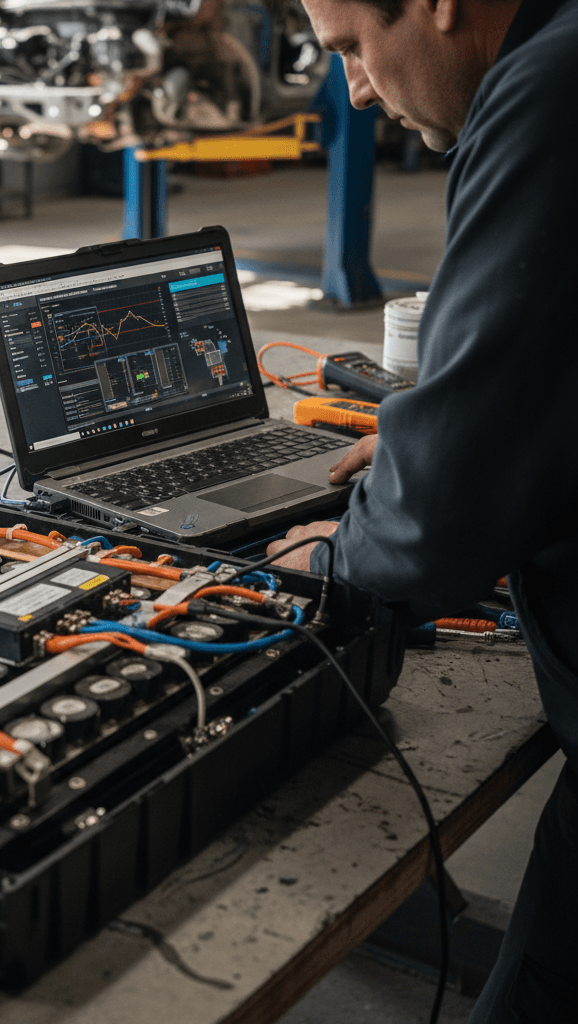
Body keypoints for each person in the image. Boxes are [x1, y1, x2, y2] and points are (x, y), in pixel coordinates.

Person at [264, 0, 578, 1019]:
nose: (353, 88)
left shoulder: (547, 91)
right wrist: (431, 433)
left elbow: (430, 526)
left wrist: (331, 565)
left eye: (354, 46)